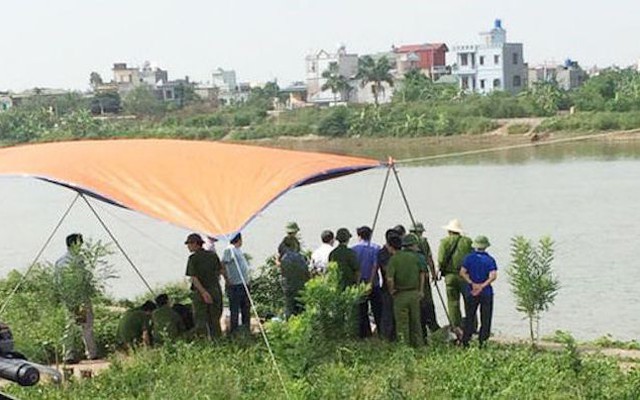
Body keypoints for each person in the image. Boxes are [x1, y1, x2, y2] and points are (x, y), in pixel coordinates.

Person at [55, 233, 98, 363]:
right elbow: (84, 279)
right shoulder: (77, 260)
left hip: (69, 298)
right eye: (80, 243)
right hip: (79, 298)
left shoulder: (60, 261)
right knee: (86, 325)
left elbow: (57, 282)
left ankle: (68, 355)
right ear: (74, 244)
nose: (81, 246)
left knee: (72, 325)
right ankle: (91, 353)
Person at [386, 234, 426, 348]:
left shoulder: (394, 259)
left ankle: (404, 347)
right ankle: (419, 346)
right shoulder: (414, 257)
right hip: (414, 293)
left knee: (402, 323)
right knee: (415, 322)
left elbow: (389, 279)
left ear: (390, 247)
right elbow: (423, 273)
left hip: (400, 294)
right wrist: (421, 290)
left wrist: (392, 290)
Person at [184, 233, 226, 339]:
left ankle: (203, 344)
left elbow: (194, 278)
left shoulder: (193, 258)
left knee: (201, 321)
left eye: (189, 244)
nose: (188, 246)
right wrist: (227, 282)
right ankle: (218, 342)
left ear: (195, 244)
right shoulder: (212, 255)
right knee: (215, 320)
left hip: (201, 294)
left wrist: (203, 292)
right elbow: (221, 270)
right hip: (215, 290)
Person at [460, 236, 498, 347]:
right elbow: (493, 276)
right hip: (486, 292)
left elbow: (462, 272)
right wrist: (482, 286)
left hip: (471, 291)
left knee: (470, 316)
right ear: (486, 246)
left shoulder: (468, 258)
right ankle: (483, 341)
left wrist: (472, 283)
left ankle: (466, 340)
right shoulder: (490, 259)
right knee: (486, 317)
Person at [437, 219, 473, 329]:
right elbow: (472, 258)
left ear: (449, 231)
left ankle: (456, 326)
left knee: (453, 302)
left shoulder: (445, 242)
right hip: (465, 276)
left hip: (450, 277)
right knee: (469, 302)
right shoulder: (467, 241)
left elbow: (441, 259)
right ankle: (471, 326)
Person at [351, 226, 382, 338]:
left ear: (359, 236)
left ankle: (365, 335)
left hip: (360, 284)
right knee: (377, 309)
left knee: (362, 311)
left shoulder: (354, 249)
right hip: (374, 283)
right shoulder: (376, 248)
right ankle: (381, 333)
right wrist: (370, 281)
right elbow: (375, 266)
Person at [410, 222, 441, 336]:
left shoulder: (405, 241)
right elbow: (429, 258)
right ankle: (431, 323)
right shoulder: (423, 241)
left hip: (410, 276)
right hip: (423, 273)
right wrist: (433, 274)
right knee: (427, 299)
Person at [222, 233, 251, 334]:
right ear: (239, 239)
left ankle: (246, 330)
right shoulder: (230, 249)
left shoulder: (237, 249)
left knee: (246, 308)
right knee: (235, 309)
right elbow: (223, 265)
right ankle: (234, 332)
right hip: (235, 285)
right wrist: (227, 279)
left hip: (243, 284)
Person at [377, 229, 402, 341]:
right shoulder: (382, 253)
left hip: (399, 288)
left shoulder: (398, 252)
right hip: (387, 288)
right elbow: (387, 271)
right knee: (387, 314)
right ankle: (386, 337)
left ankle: (396, 336)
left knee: (397, 314)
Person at [279, 236, 311, 319]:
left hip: (289, 288)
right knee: (302, 312)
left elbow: (284, 274)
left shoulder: (284, 258)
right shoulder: (301, 258)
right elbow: (306, 273)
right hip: (301, 287)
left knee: (290, 311)